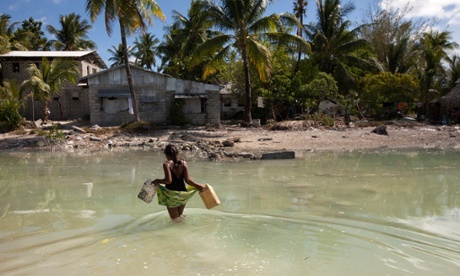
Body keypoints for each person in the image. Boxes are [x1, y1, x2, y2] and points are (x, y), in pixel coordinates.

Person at [152, 144, 206, 221]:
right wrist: (198, 186)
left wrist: (157, 181)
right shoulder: (184, 163)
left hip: (171, 195)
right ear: (177, 153)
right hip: (182, 194)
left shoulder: (166, 164)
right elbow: (187, 180)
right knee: (179, 217)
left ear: (166, 154)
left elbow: (168, 180)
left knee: (175, 220)